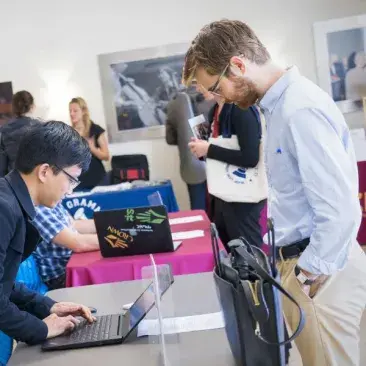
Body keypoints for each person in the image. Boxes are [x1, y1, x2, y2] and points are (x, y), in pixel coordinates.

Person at [182, 19, 366, 366]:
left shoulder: (299, 109)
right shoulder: (279, 107)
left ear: (237, 65)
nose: (218, 98)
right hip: (306, 262)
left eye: (216, 88)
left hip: (319, 268)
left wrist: (307, 273)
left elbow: (340, 208)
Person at [0, 120, 95, 346]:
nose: (70, 191)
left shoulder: (13, 201)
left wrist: (47, 306)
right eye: (70, 180)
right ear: (44, 171)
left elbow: (4, 282)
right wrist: (42, 329)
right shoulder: (4, 208)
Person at [188, 89, 266, 250]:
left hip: (242, 198)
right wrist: (201, 150)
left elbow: (250, 158)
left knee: (248, 258)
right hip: (220, 197)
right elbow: (220, 153)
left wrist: (208, 149)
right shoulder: (215, 110)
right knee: (230, 257)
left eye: (199, 81)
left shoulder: (241, 108)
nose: (197, 88)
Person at [165, 87, 214, 210]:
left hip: (191, 165)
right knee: (219, 207)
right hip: (216, 159)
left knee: (198, 207)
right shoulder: (211, 99)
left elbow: (170, 139)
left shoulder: (174, 104)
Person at [32, 202, 99, 290]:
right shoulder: (39, 211)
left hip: (70, 265)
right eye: (69, 187)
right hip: (59, 276)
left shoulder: (51, 202)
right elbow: (78, 243)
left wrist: (112, 224)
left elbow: (73, 225)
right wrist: (119, 238)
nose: (69, 192)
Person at [69, 97, 110, 190]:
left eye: (75, 111)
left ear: (83, 111)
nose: (72, 114)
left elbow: (106, 156)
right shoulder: (69, 133)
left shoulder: (95, 130)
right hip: (77, 181)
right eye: (70, 111)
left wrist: (92, 148)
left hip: (97, 180)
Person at [0, 90, 41, 177]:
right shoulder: (41, 127)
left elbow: (2, 166)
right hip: (37, 179)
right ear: (32, 106)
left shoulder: (3, 130)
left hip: (13, 181)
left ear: (13, 108)